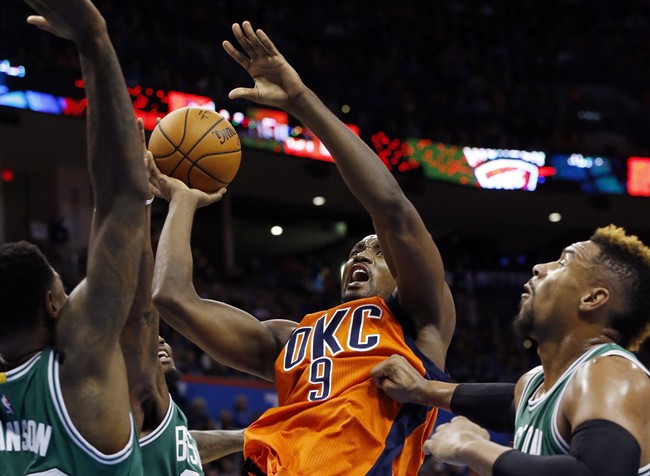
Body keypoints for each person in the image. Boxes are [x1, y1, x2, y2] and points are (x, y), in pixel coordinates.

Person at [149, 21, 455, 475]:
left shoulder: (420, 318)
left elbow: (390, 207)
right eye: (355, 250)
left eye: (376, 250)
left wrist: (300, 102)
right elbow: (172, 298)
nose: (361, 254)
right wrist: (183, 201)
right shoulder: (292, 338)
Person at [0, 0, 148, 474]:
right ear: (52, 304)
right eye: (66, 289)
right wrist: (94, 39)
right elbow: (123, 198)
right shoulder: (76, 367)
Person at [371, 225, 650, 475]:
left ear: (592, 298)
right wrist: (423, 390)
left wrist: (471, 447)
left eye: (564, 262)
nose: (540, 267)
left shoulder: (613, 373)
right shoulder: (538, 383)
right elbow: (510, 403)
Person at [121, 127, 244, 475]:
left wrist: (246, 436)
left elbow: (183, 445)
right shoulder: (122, 407)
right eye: (145, 338)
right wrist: (143, 200)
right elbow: (141, 298)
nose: (159, 340)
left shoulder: (159, 419)